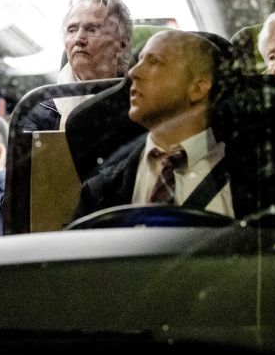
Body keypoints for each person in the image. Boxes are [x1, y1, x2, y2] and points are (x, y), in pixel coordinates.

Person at [73, 30, 250, 221]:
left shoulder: (256, 181)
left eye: (154, 61)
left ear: (197, 88)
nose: (133, 72)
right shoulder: (99, 192)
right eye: (139, 61)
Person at [25, 0, 132, 131]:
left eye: (93, 29)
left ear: (121, 45)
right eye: (72, 30)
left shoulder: (138, 106)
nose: (78, 39)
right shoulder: (40, 111)